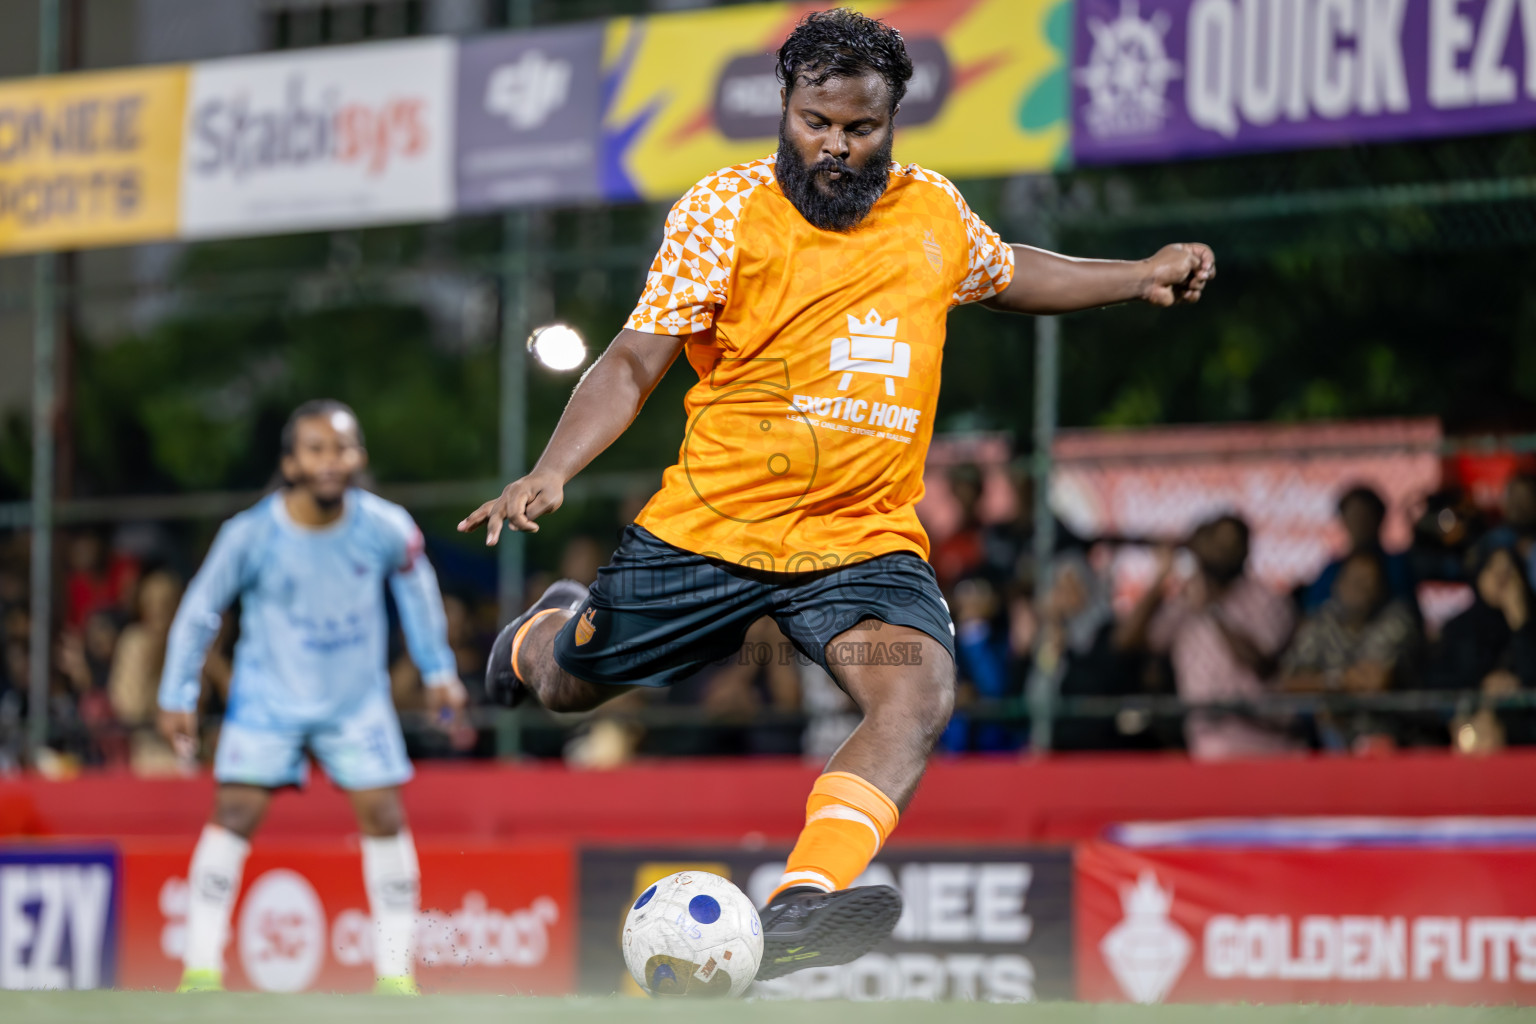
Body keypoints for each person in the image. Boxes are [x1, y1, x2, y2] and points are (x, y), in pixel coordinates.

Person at [459, 8, 1214, 979]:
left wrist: (1137, 274)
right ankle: (537, 635)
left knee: (917, 691)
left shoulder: (932, 212)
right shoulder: (721, 212)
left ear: (891, 119)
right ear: (785, 106)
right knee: (568, 686)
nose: (835, 146)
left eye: (859, 128)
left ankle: (800, 902)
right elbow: (633, 357)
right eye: (817, 122)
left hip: (858, 545)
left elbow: (1011, 269)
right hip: (712, 532)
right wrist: (551, 468)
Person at [157, 400, 465, 995]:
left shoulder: (386, 527)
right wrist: (177, 692)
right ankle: (199, 971)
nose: (330, 461)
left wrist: (439, 670)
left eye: (341, 448)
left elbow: (419, 595)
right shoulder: (250, 534)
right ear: (291, 463)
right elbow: (200, 609)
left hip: (356, 702)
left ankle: (396, 978)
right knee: (235, 813)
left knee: (384, 814)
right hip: (267, 701)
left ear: (359, 458)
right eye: (316, 450)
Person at [1118, 515, 1299, 760]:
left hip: (1267, 744)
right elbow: (1126, 641)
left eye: (1233, 543)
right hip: (1205, 746)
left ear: (1246, 550)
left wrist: (1212, 609)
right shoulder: (1185, 601)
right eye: (1217, 542)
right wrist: (1161, 578)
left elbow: (1259, 663)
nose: (1225, 550)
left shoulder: (1268, 600)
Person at [1281, 549, 1421, 752]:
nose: (1360, 588)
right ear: (1338, 584)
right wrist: (1337, 681)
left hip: (1387, 736)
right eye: (1354, 580)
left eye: (1368, 581)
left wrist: (1321, 684)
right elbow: (1288, 681)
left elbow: (1373, 682)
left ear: (1380, 589)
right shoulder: (1321, 621)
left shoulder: (1396, 620)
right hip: (1324, 738)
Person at [1431, 545, 1536, 752]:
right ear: (1479, 575)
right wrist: (1482, 685)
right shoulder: (1457, 629)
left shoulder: (1531, 628)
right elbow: (1435, 683)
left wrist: (1521, 625)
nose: (1501, 580)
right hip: (1466, 735)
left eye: (1509, 572)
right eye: (1493, 570)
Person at [1302, 484, 1416, 613]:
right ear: (1344, 521)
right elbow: (1313, 609)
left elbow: (1407, 608)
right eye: (1354, 516)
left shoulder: (1397, 566)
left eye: (1365, 516)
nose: (1360, 522)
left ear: (1379, 518)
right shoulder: (1332, 571)